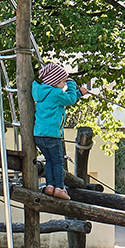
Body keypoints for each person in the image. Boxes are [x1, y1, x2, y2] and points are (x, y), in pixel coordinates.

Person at [32, 62, 82, 199]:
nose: (64, 85)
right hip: (52, 135)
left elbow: (65, 99)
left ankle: (50, 186)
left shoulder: (42, 92)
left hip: (39, 134)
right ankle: (60, 187)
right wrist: (73, 86)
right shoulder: (55, 93)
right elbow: (70, 99)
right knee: (58, 161)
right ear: (55, 82)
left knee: (49, 160)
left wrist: (78, 94)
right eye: (63, 82)